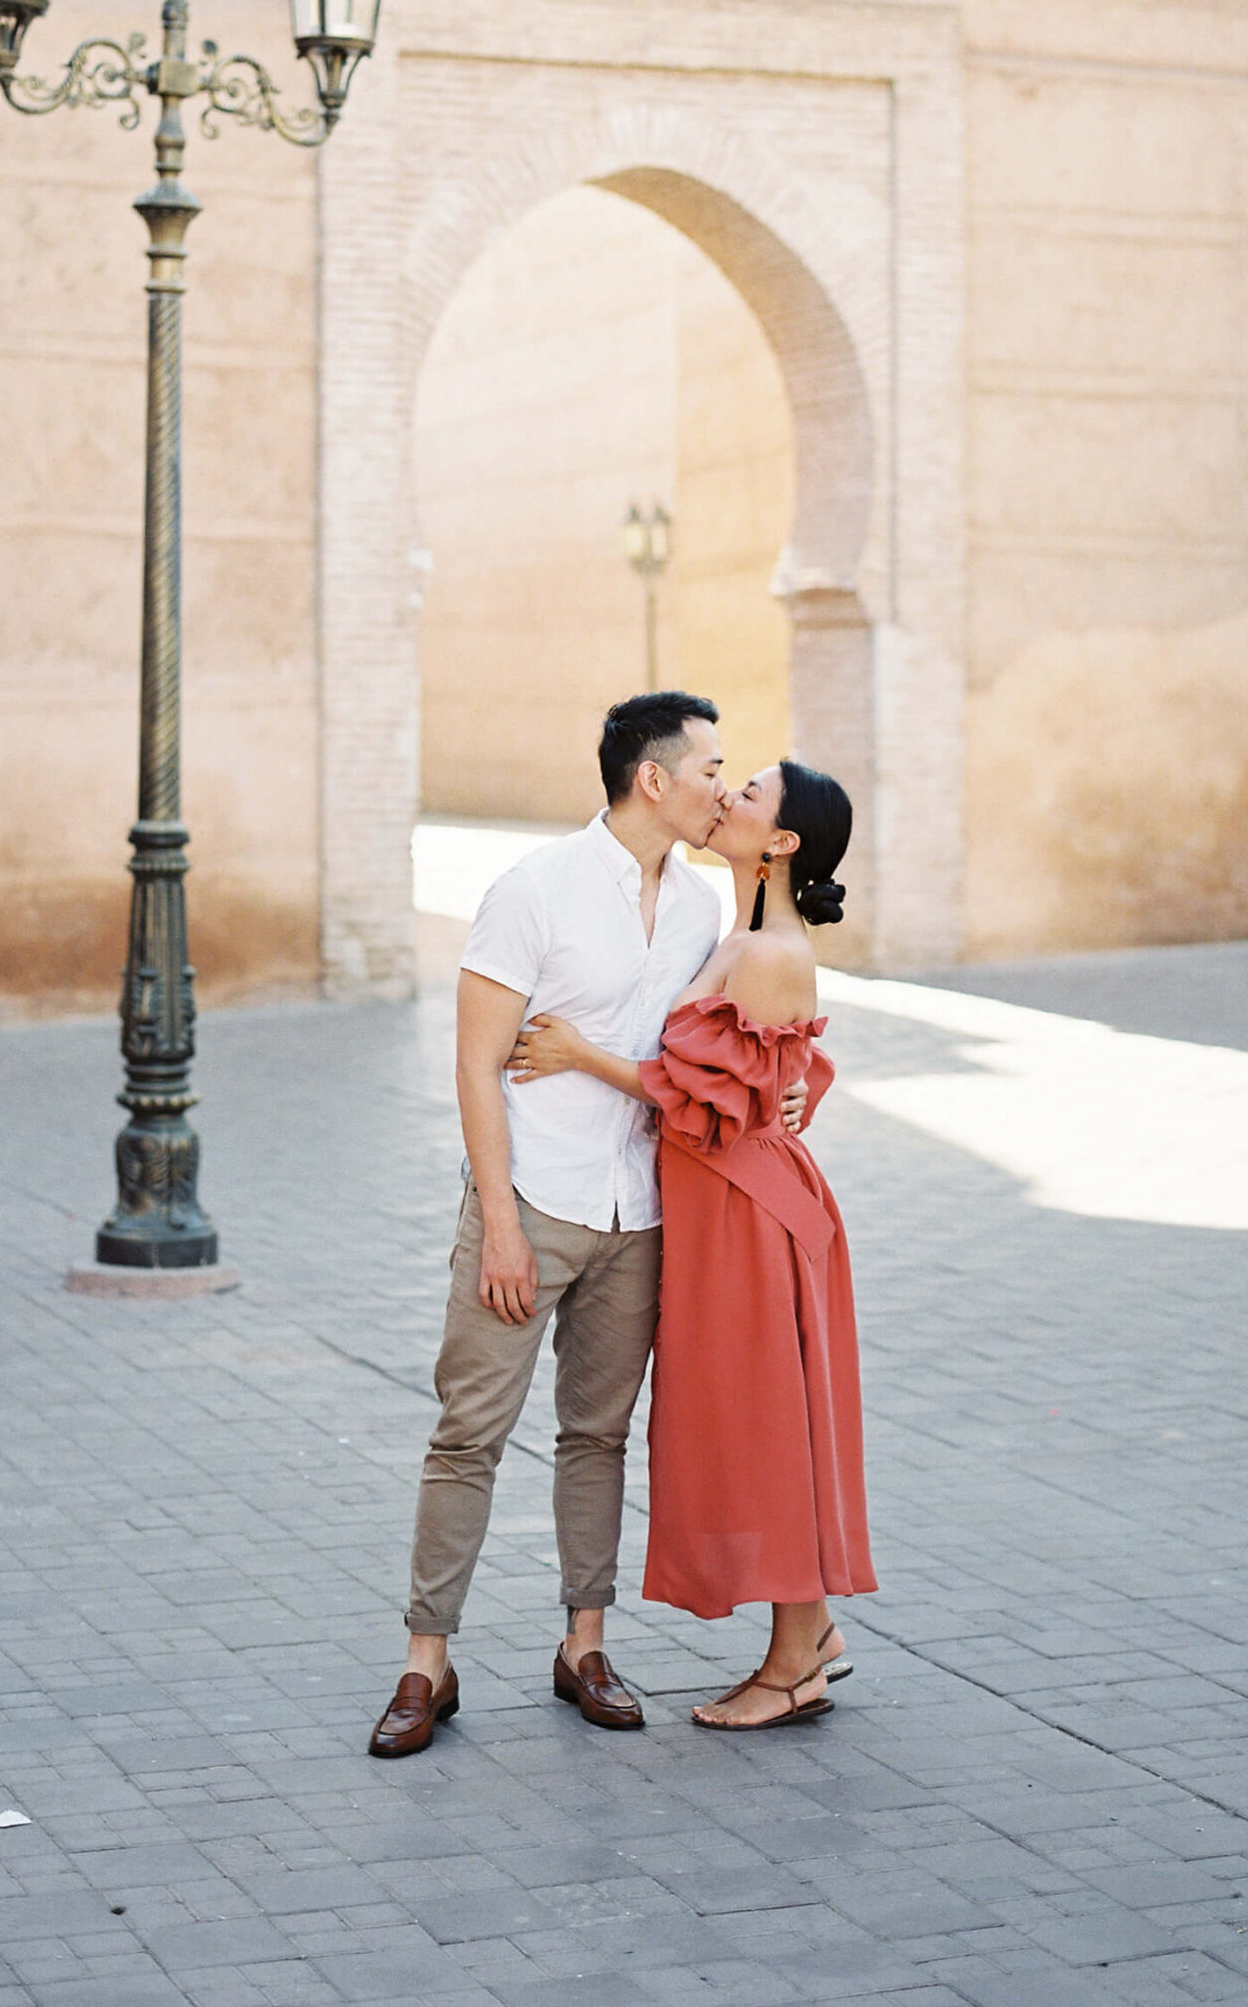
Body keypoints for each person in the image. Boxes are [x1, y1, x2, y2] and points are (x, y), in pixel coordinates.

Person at [367, 692, 808, 1759]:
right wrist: (501, 1224)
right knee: (468, 1433)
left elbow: (726, 1049)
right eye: (710, 766)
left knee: (598, 1437)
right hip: (535, 1201)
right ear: (651, 778)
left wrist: (788, 1093)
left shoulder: (705, 909)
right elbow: (475, 1062)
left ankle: (584, 1645)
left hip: (642, 1213)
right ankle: (427, 1662)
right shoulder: (535, 889)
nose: (722, 783)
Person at [507, 756, 875, 1730]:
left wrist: (576, 1054)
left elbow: (700, 1099)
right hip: (729, 1205)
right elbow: (784, 1060)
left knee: (766, 1432)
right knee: (762, 1424)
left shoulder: (764, 945)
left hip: (749, 1217)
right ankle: (815, 1631)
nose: (726, 799)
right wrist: (793, 1087)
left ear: (782, 842)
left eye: (747, 795)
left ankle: (793, 1664)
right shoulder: (743, 931)